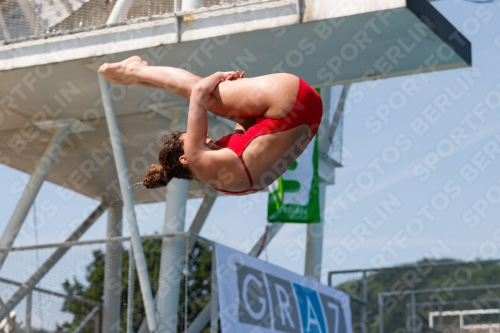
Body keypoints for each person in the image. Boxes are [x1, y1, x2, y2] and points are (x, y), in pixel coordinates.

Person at [99, 56, 322, 195]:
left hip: (308, 116)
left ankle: (136, 75)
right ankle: (132, 71)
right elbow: (198, 93)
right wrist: (219, 76)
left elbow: (252, 131)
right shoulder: (197, 158)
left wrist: (234, 95)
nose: (207, 138)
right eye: (193, 139)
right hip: (289, 102)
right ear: (184, 158)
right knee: (207, 97)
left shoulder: (223, 181)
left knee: (218, 101)